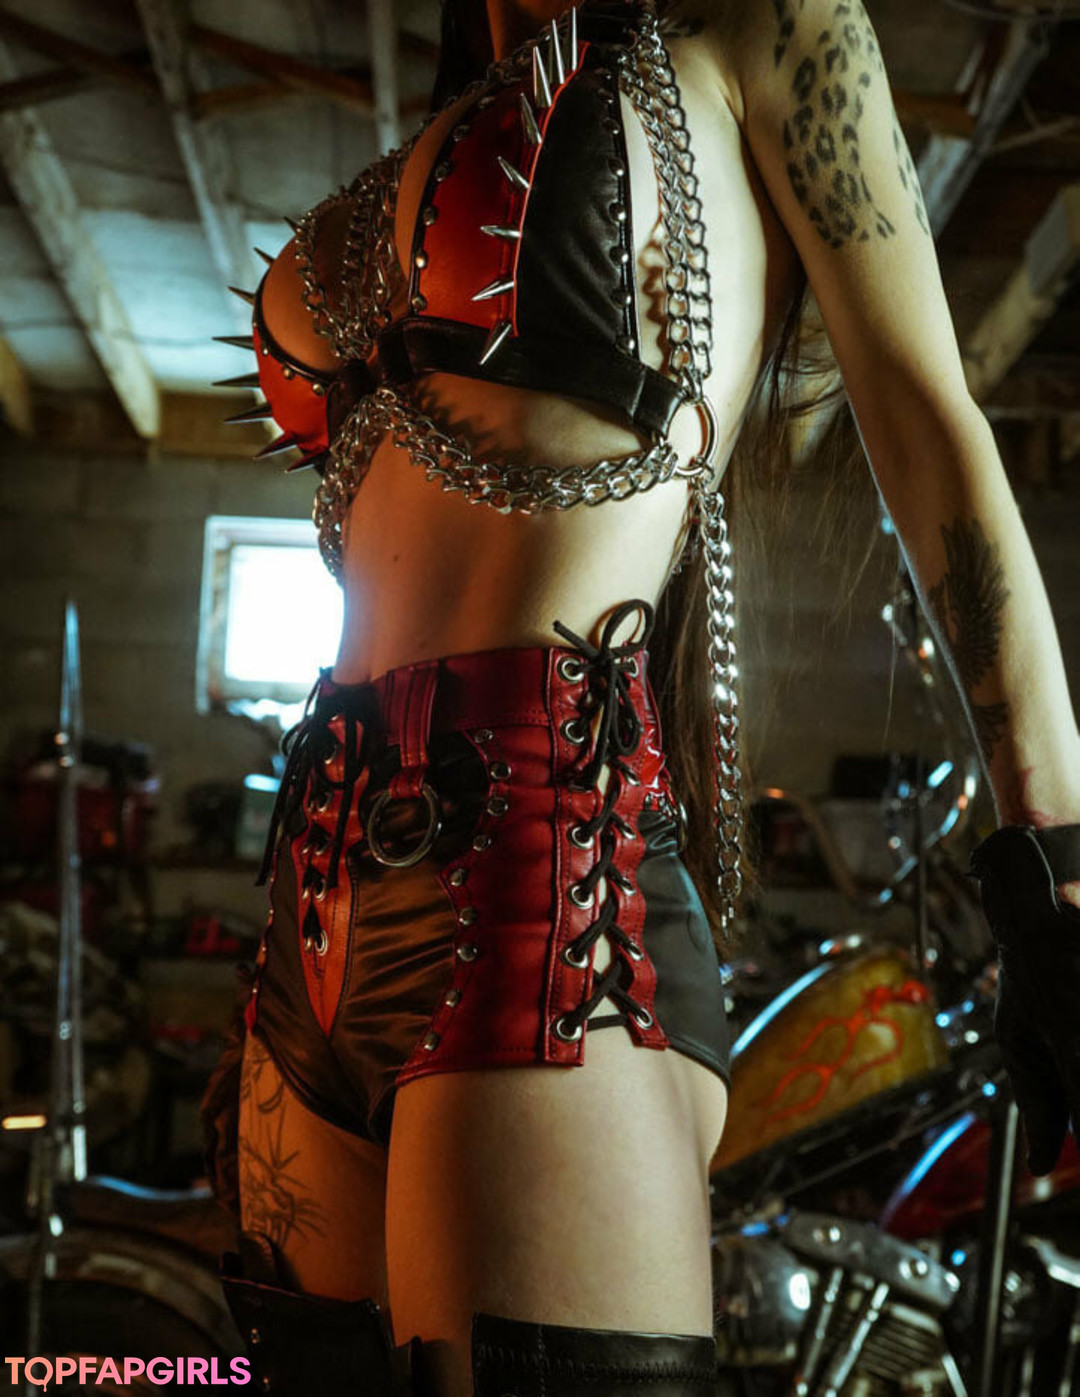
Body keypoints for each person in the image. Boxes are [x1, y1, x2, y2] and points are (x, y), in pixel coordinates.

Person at [200, 1, 1080, 1393]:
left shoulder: (764, 23)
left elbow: (930, 419)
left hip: (540, 876)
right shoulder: (457, 100)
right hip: (312, 883)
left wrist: (1056, 868)